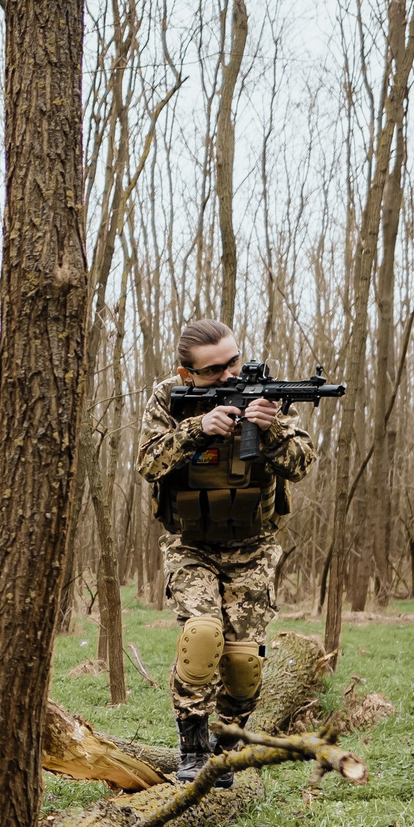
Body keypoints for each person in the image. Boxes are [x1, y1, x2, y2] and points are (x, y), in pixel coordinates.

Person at [134, 318, 315, 783]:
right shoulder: (166, 397)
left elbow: (302, 464)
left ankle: (227, 747)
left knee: (242, 662)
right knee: (201, 636)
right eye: (215, 370)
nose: (230, 375)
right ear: (187, 373)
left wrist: (269, 429)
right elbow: (147, 463)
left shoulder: (266, 392)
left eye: (233, 360)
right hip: (190, 542)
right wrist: (197, 429)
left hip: (252, 545)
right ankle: (192, 751)